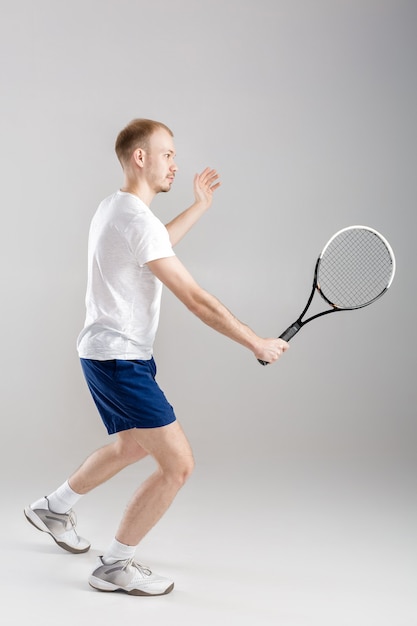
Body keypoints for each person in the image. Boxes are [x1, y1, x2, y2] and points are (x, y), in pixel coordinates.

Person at [24, 118, 289, 597]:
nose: (175, 162)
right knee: (179, 465)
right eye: (167, 153)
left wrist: (199, 207)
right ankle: (114, 565)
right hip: (119, 360)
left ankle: (54, 508)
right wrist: (255, 341)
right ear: (140, 157)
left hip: (107, 353)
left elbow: (152, 241)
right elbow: (194, 298)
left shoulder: (117, 208)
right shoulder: (133, 218)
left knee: (133, 447)